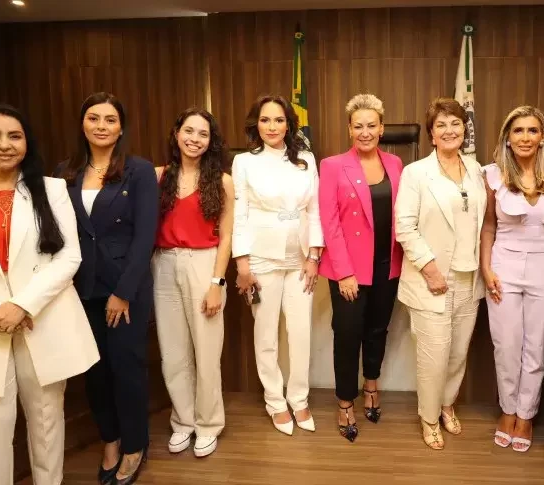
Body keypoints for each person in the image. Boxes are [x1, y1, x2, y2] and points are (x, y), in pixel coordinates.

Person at [0, 104, 99, 484]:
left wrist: (21, 305)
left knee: (46, 421)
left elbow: (69, 257)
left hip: (41, 317)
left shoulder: (52, 189)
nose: (4, 144)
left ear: (27, 143)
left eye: (14, 136)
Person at [56, 92, 158, 485]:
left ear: (121, 127)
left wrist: (124, 291)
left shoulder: (139, 171)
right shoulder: (66, 171)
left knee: (126, 368)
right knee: (95, 372)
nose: (101, 126)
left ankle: (134, 444)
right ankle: (110, 440)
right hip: (81, 286)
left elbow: (145, 236)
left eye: (110, 119)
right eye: (94, 118)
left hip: (124, 285)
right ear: (83, 124)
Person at [394, 97, 486, 450]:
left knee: (458, 353)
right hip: (430, 280)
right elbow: (405, 227)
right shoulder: (416, 173)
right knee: (434, 356)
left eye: (456, 124)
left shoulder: (477, 170)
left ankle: (447, 405)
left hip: (468, 277)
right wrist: (431, 270)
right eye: (441, 125)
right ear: (431, 134)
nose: (449, 130)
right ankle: (429, 418)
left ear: (465, 130)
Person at [231, 94, 323, 436]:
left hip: (300, 259)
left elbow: (314, 209)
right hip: (261, 258)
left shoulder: (306, 159)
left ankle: (299, 399)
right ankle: (274, 400)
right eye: (265, 120)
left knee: (300, 333)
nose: (272, 126)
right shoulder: (244, 162)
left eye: (279, 120)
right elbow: (239, 214)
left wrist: (314, 256)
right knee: (266, 334)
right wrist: (242, 264)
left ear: (289, 124)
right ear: (256, 124)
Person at [480, 105, 544, 453]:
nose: (525, 137)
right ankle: (508, 409)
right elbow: (488, 227)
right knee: (506, 344)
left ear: (543, 136)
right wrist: (486, 269)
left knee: (537, 346)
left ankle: (526, 414)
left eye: (533, 130)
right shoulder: (491, 174)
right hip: (503, 263)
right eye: (518, 130)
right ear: (507, 137)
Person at [318, 94, 404, 442]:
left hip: (387, 264)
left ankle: (371, 386)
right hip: (349, 270)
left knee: (377, 330)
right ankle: (344, 403)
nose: (365, 132)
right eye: (358, 126)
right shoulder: (332, 165)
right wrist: (344, 272)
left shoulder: (395, 164)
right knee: (348, 334)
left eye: (371, 125)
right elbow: (329, 222)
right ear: (349, 129)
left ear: (381, 128)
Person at [153, 108, 234, 457]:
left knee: (206, 350)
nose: (194, 139)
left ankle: (208, 423)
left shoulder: (222, 181)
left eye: (203, 134)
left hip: (204, 264)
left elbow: (227, 237)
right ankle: (183, 421)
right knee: (173, 352)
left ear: (210, 141)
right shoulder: (157, 176)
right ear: (176, 133)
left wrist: (217, 283)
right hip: (164, 263)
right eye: (189, 131)